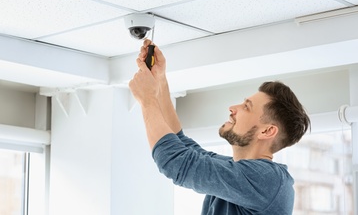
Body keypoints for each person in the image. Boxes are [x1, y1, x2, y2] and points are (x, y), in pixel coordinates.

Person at [129, 40, 310, 215]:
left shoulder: (269, 181)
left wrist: (148, 100)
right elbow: (182, 145)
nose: (233, 108)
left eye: (247, 107)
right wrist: (160, 81)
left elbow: (176, 162)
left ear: (267, 131)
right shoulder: (240, 173)